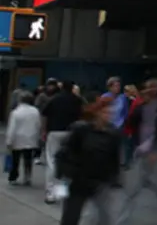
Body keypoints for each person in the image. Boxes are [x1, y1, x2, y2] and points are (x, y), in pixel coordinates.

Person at [56, 96, 122, 225]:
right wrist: (64, 172)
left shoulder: (113, 134)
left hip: (100, 181)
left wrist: (114, 177)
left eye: (111, 113)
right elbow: (66, 150)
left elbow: (115, 158)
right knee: (71, 217)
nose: (109, 116)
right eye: (106, 112)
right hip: (79, 179)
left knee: (105, 217)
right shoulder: (82, 130)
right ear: (97, 112)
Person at [119, 78, 157, 224]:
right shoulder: (141, 105)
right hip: (141, 151)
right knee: (133, 189)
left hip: (156, 152)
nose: (151, 90)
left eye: (154, 87)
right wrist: (140, 103)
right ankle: (123, 219)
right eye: (148, 87)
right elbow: (130, 122)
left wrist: (156, 149)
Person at [42, 80, 84, 204]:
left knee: (52, 161)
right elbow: (82, 116)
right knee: (67, 162)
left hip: (54, 132)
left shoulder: (54, 99)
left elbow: (44, 115)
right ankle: (61, 192)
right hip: (72, 133)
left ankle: (50, 193)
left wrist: (43, 131)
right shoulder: (77, 100)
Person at [5, 91, 41, 186]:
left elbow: (12, 128)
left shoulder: (16, 112)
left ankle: (13, 177)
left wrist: (9, 141)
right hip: (31, 137)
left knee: (15, 159)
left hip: (18, 138)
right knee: (28, 158)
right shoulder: (35, 111)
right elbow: (38, 125)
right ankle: (27, 177)